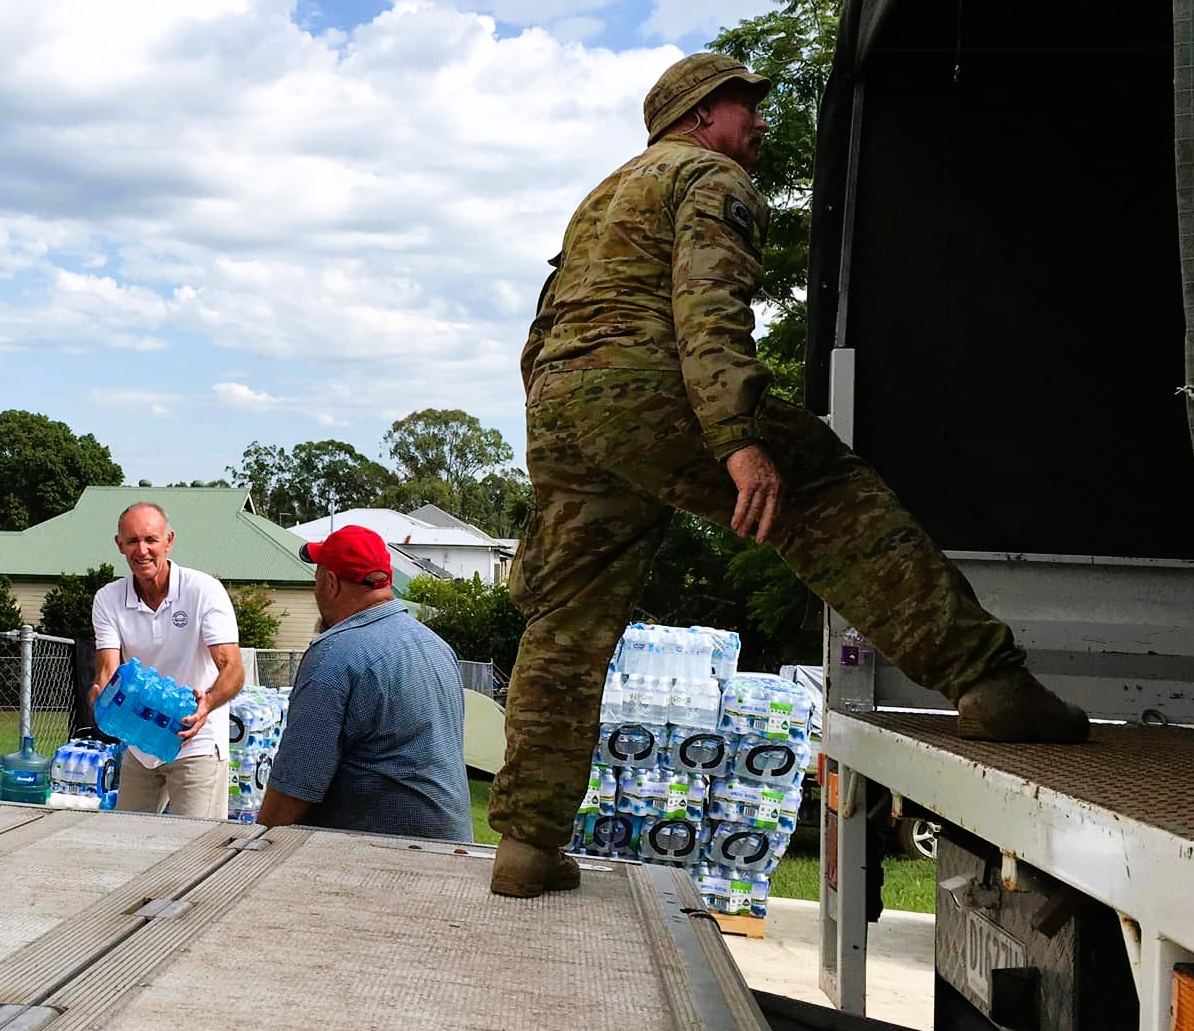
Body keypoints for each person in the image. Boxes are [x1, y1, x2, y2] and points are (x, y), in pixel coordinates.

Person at [486, 52, 1090, 898]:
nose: (761, 124)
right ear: (699, 117)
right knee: (837, 501)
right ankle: (988, 682)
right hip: (654, 385)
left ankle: (526, 845)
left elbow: (543, 325)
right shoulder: (706, 176)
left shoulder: (601, 198)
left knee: (567, 622)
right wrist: (735, 435)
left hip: (563, 403)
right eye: (746, 108)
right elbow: (707, 306)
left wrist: (562, 443)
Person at [258, 525, 473, 841]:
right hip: (453, 847)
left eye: (318, 576)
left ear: (330, 582)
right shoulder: (436, 646)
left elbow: (295, 786)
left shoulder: (333, 655)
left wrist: (257, 841)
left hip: (383, 855)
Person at [90, 502, 243, 819]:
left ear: (169, 541)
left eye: (151, 540)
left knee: (196, 844)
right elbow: (108, 670)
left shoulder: (203, 591)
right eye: (132, 541)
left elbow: (232, 668)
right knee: (125, 841)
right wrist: (101, 697)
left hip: (195, 740)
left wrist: (207, 703)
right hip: (140, 742)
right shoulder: (108, 598)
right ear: (119, 544)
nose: (141, 550)